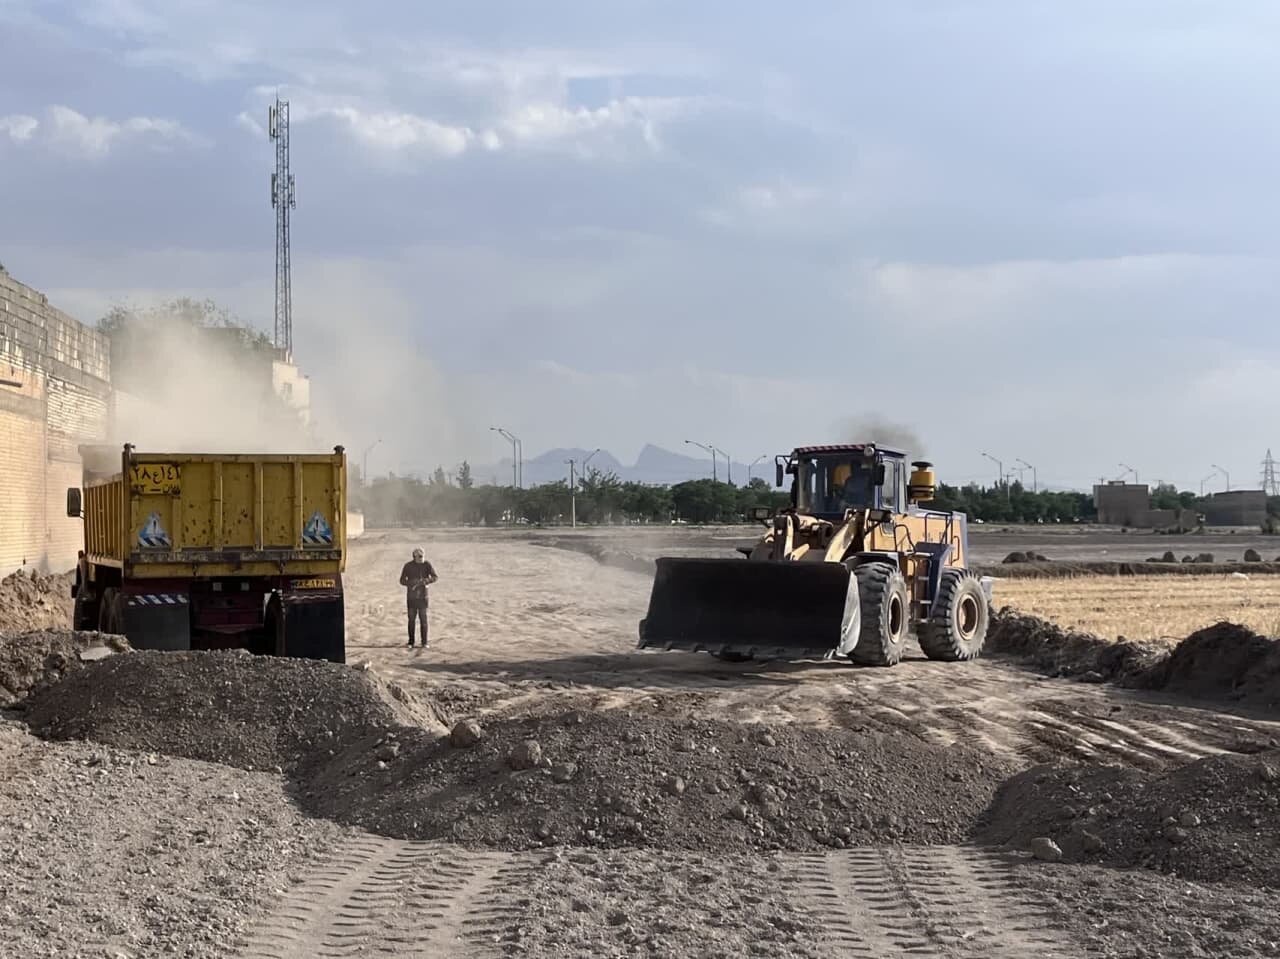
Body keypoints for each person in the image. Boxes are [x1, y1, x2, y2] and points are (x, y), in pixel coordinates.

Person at [399, 547, 438, 648]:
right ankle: (411, 642)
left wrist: (425, 581)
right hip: (411, 597)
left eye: (423, 556)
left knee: (423, 620)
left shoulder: (427, 564)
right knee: (411, 620)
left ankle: (424, 642)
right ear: (414, 557)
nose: (422, 558)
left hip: (423, 597)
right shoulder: (408, 566)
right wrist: (411, 583)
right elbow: (402, 580)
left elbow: (435, 577)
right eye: (419, 556)